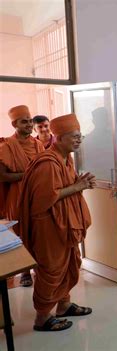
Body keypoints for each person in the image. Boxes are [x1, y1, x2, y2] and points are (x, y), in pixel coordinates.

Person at [18, 113, 96, 332]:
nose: (79, 140)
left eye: (80, 136)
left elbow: (66, 187)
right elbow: (43, 199)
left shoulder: (66, 159)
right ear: (59, 138)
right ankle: (42, 319)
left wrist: (79, 182)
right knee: (51, 270)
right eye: (74, 136)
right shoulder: (48, 163)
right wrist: (79, 186)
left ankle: (63, 305)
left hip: (65, 224)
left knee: (70, 263)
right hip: (48, 226)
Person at [0, 105, 44, 287]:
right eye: (24, 121)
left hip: (37, 195)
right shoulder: (6, 146)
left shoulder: (38, 144)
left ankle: (39, 269)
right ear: (14, 124)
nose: (29, 124)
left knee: (38, 232)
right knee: (21, 233)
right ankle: (24, 272)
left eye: (30, 120)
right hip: (16, 197)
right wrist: (28, 174)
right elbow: (2, 176)